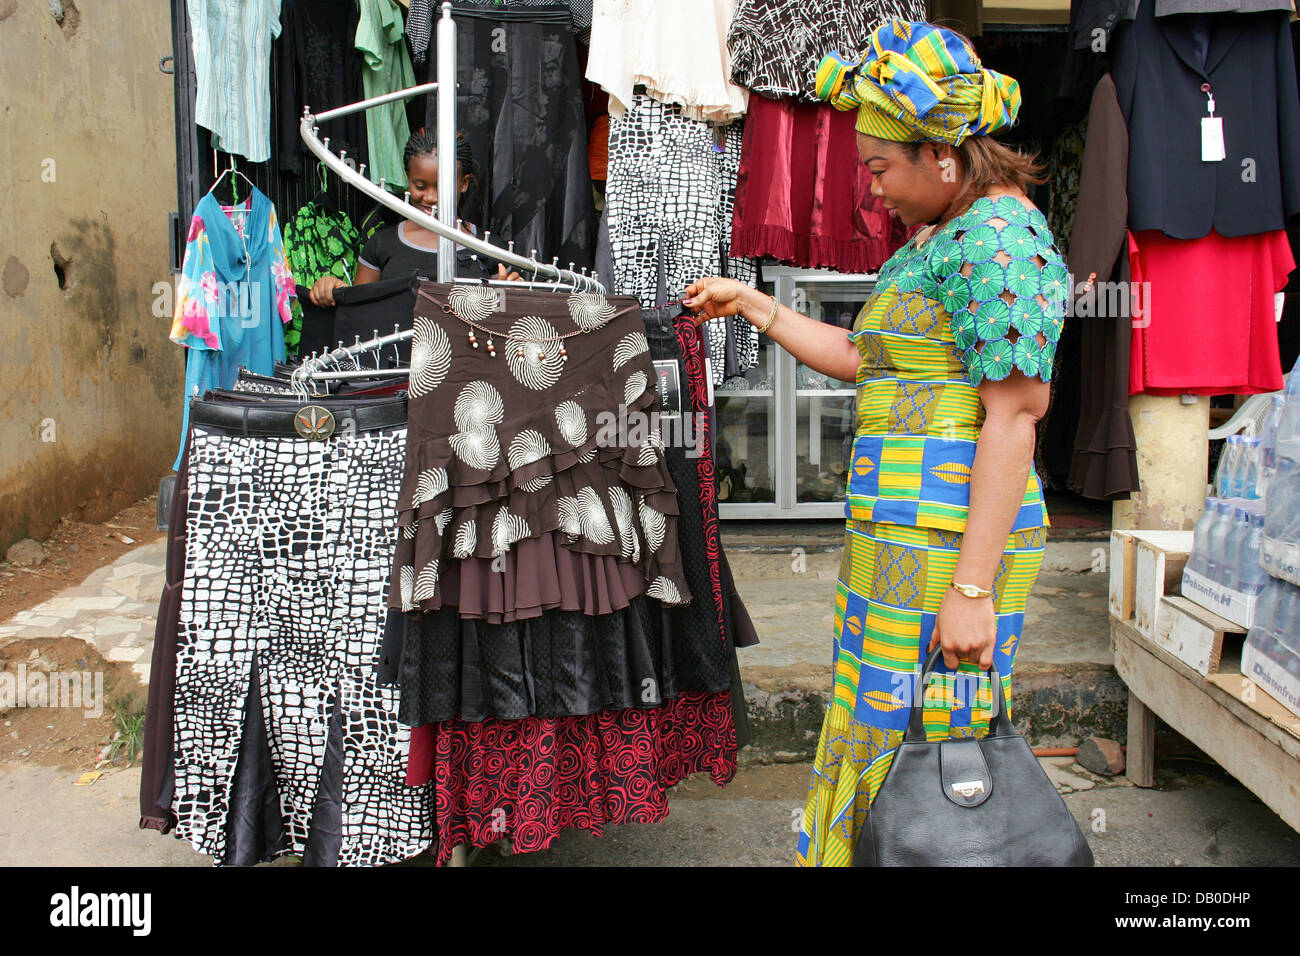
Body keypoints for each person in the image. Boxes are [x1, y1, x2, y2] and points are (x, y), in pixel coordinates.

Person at [684, 19, 1068, 867]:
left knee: (929, 737)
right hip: (894, 531)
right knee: (871, 727)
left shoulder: (1002, 242)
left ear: (942, 156)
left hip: (948, 540)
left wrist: (971, 588)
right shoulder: (934, 241)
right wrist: (756, 306)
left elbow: (1014, 416)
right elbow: (866, 361)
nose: (873, 190)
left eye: (881, 168)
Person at [308, 131, 516, 306]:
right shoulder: (381, 245)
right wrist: (334, 289)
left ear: (464, 183)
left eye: (443, 187)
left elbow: (503, 321)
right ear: (408, 179)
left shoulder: (490, 249)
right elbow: (362, 311)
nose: (431, 198)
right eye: (420, 186)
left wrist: (511, 295)